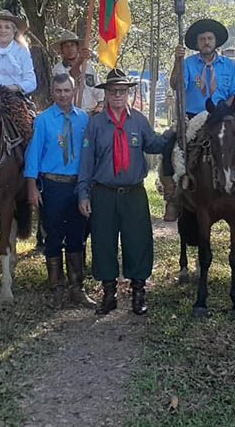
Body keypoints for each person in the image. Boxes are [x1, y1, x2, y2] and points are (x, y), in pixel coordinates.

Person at [77, 69, 172, 316]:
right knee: (104, 242)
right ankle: (109, 293)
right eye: (112, 91)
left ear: (128, 93)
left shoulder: (138, 121)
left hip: (133, 193)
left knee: (138, 241)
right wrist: (83, 194)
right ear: (106, 94)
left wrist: (173, 133)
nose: (117, 95)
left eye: (122, 91)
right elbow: (86, 161)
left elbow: (153, 144)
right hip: (104, 193)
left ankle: (138, 292)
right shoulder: (96, 123)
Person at [158, 18, 235, 221]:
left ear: (216, 42)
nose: (206, 42)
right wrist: (177, 61)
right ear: (197, 44)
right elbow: (175, 84)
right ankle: (174, 195)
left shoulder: (228, 65)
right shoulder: (188, 63)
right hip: (193, 117)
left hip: (222, 116)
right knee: (171, 143)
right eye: (202, 39)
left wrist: (226, 110)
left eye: (210, 38)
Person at [25, 74, 95, 307]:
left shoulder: (84, 119)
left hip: (78, 186)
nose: (63, 95)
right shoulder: (43, 120)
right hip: (52, 185)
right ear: (53, 93)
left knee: (77, 236)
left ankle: (77, 287)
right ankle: (56, 288)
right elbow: (33, 154)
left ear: (74, 92)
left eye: (67, 90)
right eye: (59, 91)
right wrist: (32, 186)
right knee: (53, 237)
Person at [51, 29, 103, 113]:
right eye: (66, 46)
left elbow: (99, 90)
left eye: (72, 45)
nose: (69, 49)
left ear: (77, 48)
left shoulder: (88, 68)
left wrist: (100, 105)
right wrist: (79, 61)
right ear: (61, 50)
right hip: (68, 113)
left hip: (90, 113)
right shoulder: (58, 69)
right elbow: (70, 79)